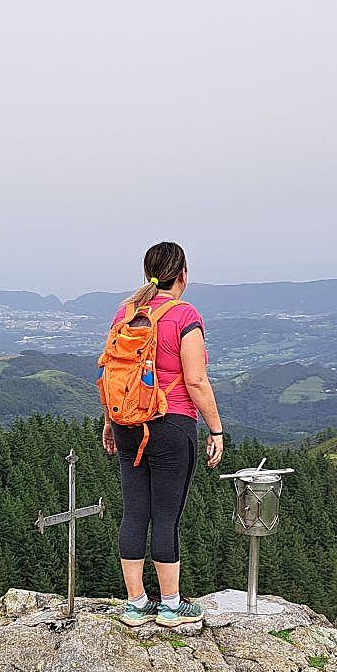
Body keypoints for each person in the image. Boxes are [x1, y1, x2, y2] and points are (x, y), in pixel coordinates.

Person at [101, 241, 224, 628]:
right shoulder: (185, 315)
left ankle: (136, 604)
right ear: (183, 275)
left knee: (135, 512)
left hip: (127, 425)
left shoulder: (127, 312)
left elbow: (113, 374)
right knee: (166, 517)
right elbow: (197, 381)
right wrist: (216, 429)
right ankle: (171, 605)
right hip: (172, 426)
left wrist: (109, 419)